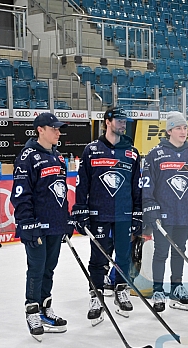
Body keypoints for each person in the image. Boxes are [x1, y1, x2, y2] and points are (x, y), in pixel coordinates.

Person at [71, 107, 142, 325]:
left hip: (124, 213)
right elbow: (82, 183)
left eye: (125, 120)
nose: (123, 124)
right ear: (107, 122)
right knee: (99, 256)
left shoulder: (132, 152)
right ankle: (97, 294)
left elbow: (137, 187)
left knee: (123, 254)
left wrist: (138, 214)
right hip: (98, 213)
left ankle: (121, 288)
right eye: (119, 120)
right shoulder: (91, 150)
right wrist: (80, 209)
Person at [11, 112, 72, 341]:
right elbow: (20, 194)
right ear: (40, 130)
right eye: (54, 128)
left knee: (49, 268)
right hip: (35, 226)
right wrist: (26, 223)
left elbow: (61, 193)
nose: (58, 131)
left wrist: (65, 220)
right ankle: (32, 311)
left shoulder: (58, 158)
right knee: (36, 269)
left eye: (58, 128)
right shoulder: (27, 156)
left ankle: (46, 308)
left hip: (55, 225)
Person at [141, 111, 188, 312]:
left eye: (185, 127)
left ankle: (177, 286)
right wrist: (150, 207)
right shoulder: (155, 155)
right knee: (161, 253)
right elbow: (146, 185)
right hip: (163, 215)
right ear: (169, 130)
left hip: (183, 214)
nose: (183, 131)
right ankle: (158, 289)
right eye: (178, 127)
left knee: (180, 251)